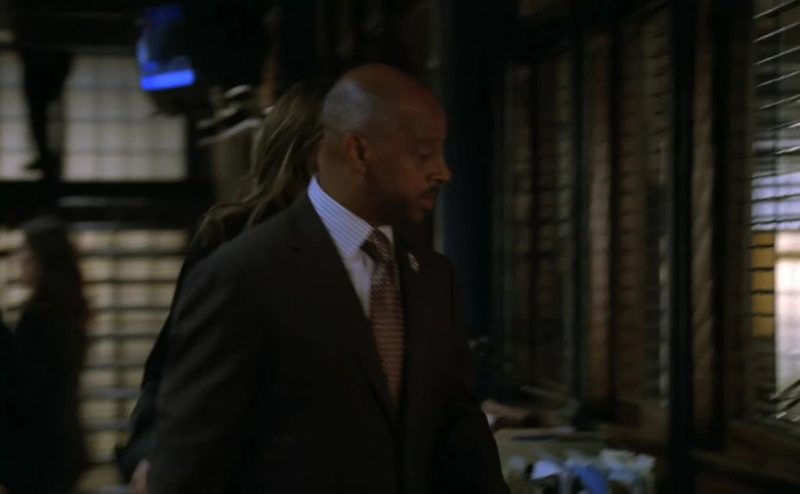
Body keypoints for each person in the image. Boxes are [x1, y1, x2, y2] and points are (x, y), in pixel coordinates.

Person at [149, 64, 508, 494]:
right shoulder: (239, 259)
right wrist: (151, 463)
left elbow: (455, 424)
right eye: (422, 153)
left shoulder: (422, 270)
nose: (441, 172)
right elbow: (178, 399)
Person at [114, 78, 334, 492]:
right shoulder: (231, 236)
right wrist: (153, 458)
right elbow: (172, 367)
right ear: (309, 153)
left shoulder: (383, 248)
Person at [11, 216, 88, 494]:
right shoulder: (67, 311)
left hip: (40, 453)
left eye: (25, 250)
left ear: (41, 258)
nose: (18, 259)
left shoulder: (41, 320)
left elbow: (26, 394)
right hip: (60, 447)